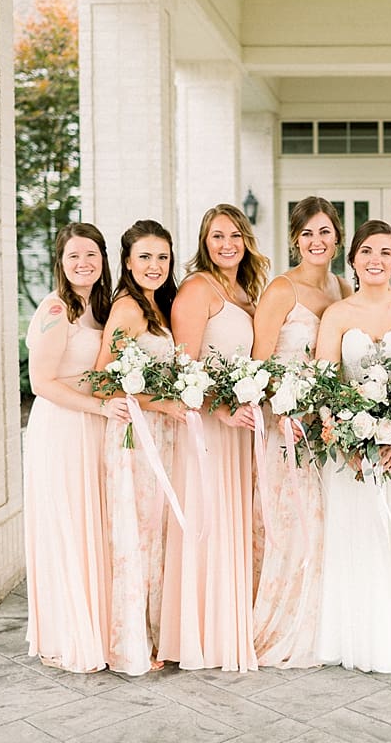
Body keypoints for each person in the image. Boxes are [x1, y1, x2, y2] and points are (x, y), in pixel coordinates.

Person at [314, 219, 391, 674]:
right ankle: (359, 639)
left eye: (386, 252)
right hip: (350, 450)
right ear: (352, 259)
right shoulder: (338, 315)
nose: (376, 260)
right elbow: (324, 383)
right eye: (367, 251)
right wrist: (341, 434)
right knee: (358, 540)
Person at [158, 204, 270, 672]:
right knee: (208, 522)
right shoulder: (196, 290)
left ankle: (231, 625)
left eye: (234, 236)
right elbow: (184, 371)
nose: (227, 244)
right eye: (216, 237)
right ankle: (199, 635)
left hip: (239, 429)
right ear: (204, 244)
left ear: (246, 240)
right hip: (207, 427)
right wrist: (221, 410)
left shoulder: (246, 290)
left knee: (235, 523)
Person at [252, 197, 351, 668]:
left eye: (325, 232)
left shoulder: (343, 287)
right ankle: (287, 626)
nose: (317, 241)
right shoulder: (281, 290)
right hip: (288, 425)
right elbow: (261, 361)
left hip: (330, 429)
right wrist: (287, 403)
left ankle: (326, 625)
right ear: (296, 238)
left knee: (329, 526)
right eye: (308, 233)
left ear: (337, 238)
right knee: (294, 528)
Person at [23, 223, 126, 673]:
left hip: (91, 426)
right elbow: (42, 383)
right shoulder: (55, 309)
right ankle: (70, 634)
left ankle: (100, 629)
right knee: (69, 524)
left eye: (91, 255)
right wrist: (98, 407)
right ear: (60, 263)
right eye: (73, 257)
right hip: (63, 428)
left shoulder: (100, 309)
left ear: (102, 259)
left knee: (95, 525)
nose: (83, 264)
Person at [98, 219, 182, 676]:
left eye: (162, 257)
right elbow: (103, 376)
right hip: (136, 436)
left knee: (159, 533)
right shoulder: (128, 307)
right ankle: (133, 641)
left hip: (163, 433)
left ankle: (156, 633)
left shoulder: (159, 305)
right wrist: (161, 403)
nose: (155, 265)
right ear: (128, 262)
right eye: (145, 257)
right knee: (140, 534)